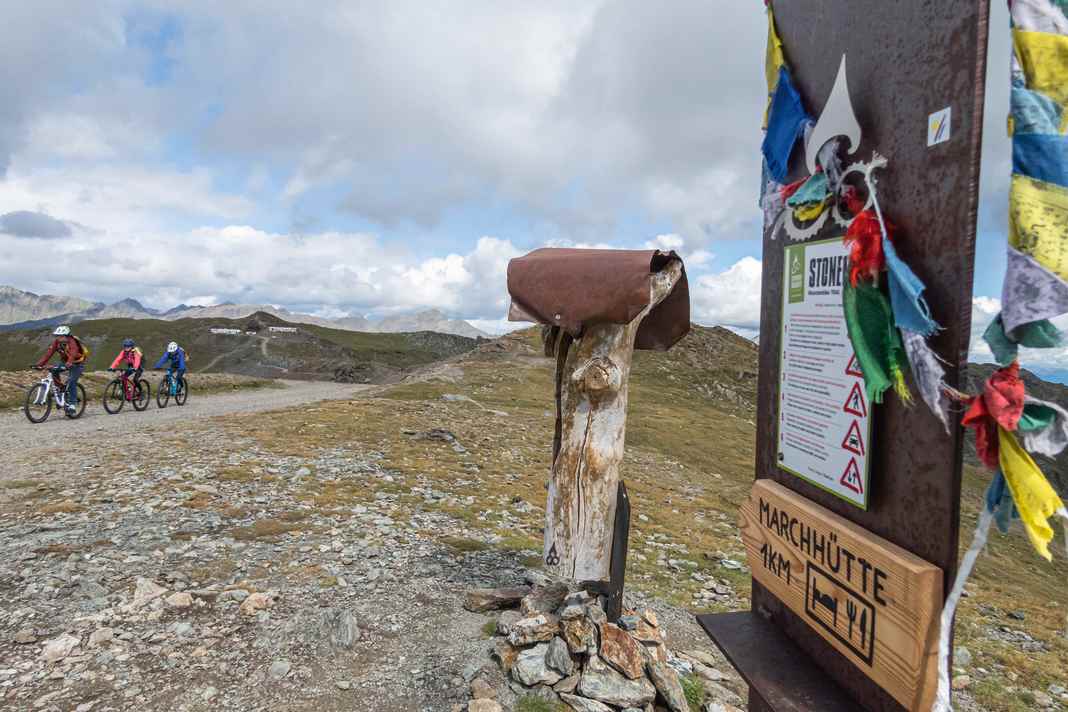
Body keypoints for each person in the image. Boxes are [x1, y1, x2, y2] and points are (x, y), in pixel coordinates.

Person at [35, 325, 90, 413]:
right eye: (57, 336)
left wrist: (69, 363)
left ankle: (72, 404)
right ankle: (61, 391)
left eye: (61, 336)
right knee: (54, 371)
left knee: (72, 381)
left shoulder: (72, 341)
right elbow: (49, 354)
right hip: (65, 362)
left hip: (78, 363)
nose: (59, 338)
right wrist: (39, 364)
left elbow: (73, 352)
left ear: (67, 336)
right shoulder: (57, 342)